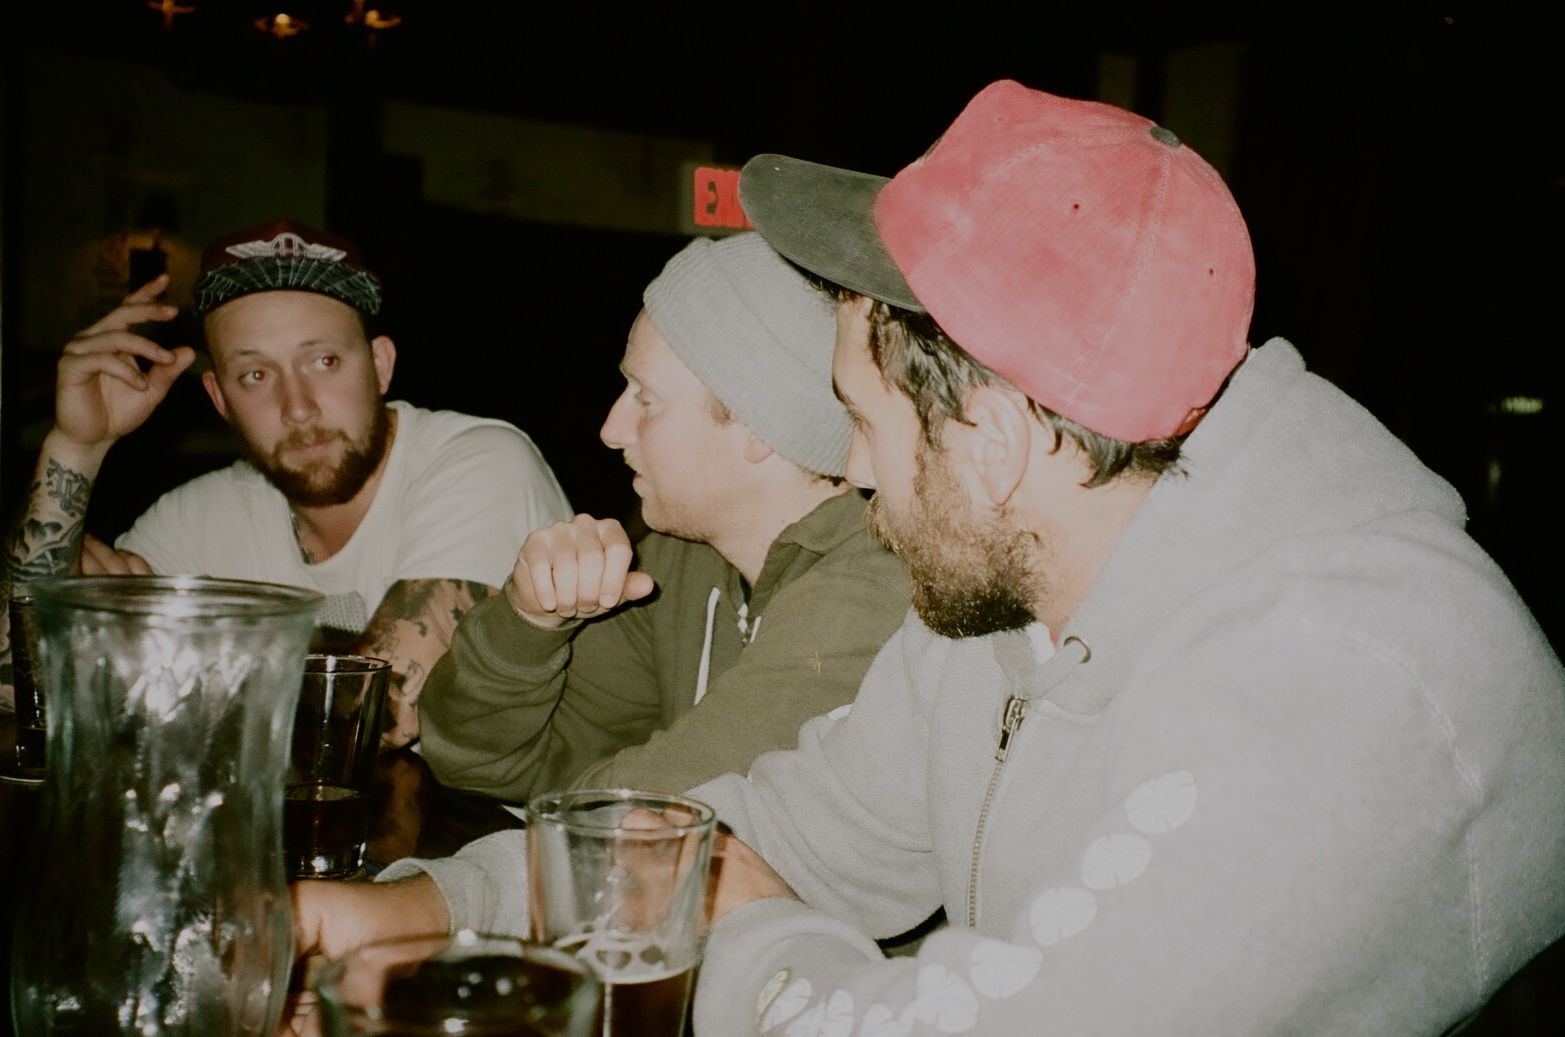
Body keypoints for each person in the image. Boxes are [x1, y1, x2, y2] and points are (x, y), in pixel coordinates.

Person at [293, 81, 1565, 1034]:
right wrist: (415, 909)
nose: (847, 474)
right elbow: (783, 823)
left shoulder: (1346, 688)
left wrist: (738, 927)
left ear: (995, 441)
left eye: (859, 420)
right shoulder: (1010, 594)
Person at [0, 219, 572, 744]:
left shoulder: (480, 463)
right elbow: (19, 691)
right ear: (220, 399)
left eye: (323, 361)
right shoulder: (201, 517)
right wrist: (76, 447)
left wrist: (168, 655)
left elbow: (374, 718)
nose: (297, 406)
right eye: (256, 374)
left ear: (380, 365)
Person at [412, 230, 910, 800]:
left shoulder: (872, 591)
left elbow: (655, 812)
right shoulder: (679, 560)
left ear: (759, 430)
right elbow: (476, 762)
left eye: (645, 399)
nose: (611, 430)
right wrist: (528, 622)